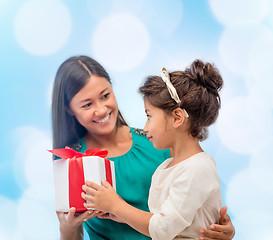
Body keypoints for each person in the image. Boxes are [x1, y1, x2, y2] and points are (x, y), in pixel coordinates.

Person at [52, 55, 235, 240]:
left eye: (105, 96)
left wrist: (221, 229)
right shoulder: (73, 162)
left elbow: (195, 203)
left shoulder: (158, 141)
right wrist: (66, 229)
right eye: (87, 104)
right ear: (69, 109)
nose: (100, 110)